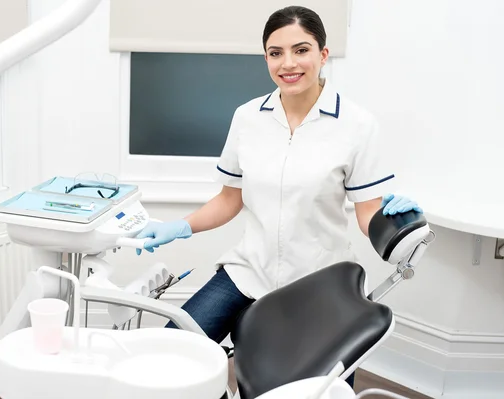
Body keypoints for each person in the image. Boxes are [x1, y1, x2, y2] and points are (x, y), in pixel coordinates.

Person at [135, 5, 422, 389]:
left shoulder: (356, 125)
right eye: (276, 52)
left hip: (319, 283)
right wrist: (179, 227)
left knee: (323, 390)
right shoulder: (247, 118)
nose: (288, 63)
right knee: (170, 355)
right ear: (266, 57)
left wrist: (397, 221)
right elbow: (228, 200)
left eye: (301, 50)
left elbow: (367, 212)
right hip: (247, 271)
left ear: (322, 54)